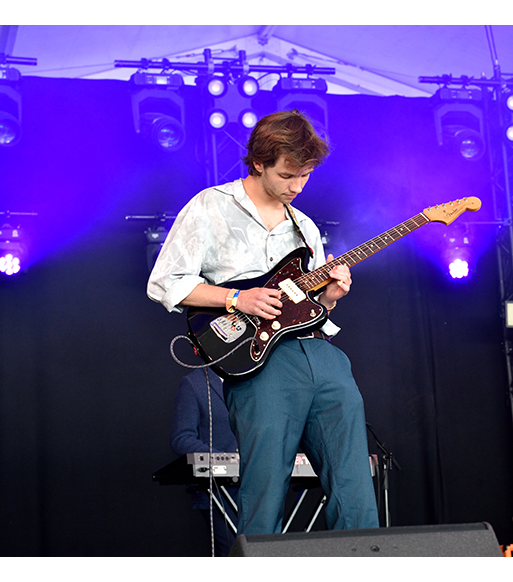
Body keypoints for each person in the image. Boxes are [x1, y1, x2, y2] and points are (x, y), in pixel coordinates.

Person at [148, 110, 379, 537]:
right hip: (261, 363)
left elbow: (310, 311)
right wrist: (237, 297)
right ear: (258, 162)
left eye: (306, 176)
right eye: (288, 175)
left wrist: (329, 297)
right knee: (265, 488)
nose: (297, 186)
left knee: (353, 483)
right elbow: (165, 283)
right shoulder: (211, 206)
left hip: (322, 356)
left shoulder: (304, 225)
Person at [170, 368, 238, 556]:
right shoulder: (194, 383)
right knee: (235, 554)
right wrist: (227, 459)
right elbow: (181, 438)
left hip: (257, 484)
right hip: (219, 491)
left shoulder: (251, 379)